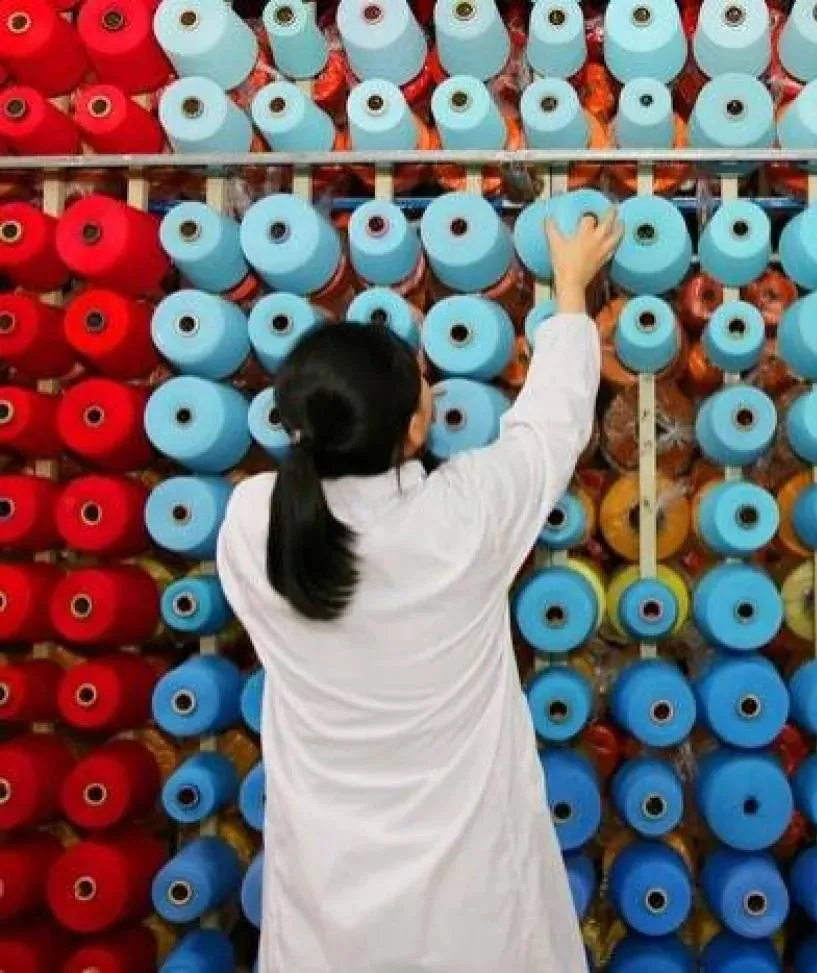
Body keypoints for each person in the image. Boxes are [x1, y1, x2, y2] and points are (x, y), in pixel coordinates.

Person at [216, 211, 623, 972]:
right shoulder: (460, 519)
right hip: (472, 890)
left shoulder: (253, 522)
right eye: (424, 386)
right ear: (412, 427)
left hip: (329, 891)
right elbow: (548, 429)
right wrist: (570, 291)